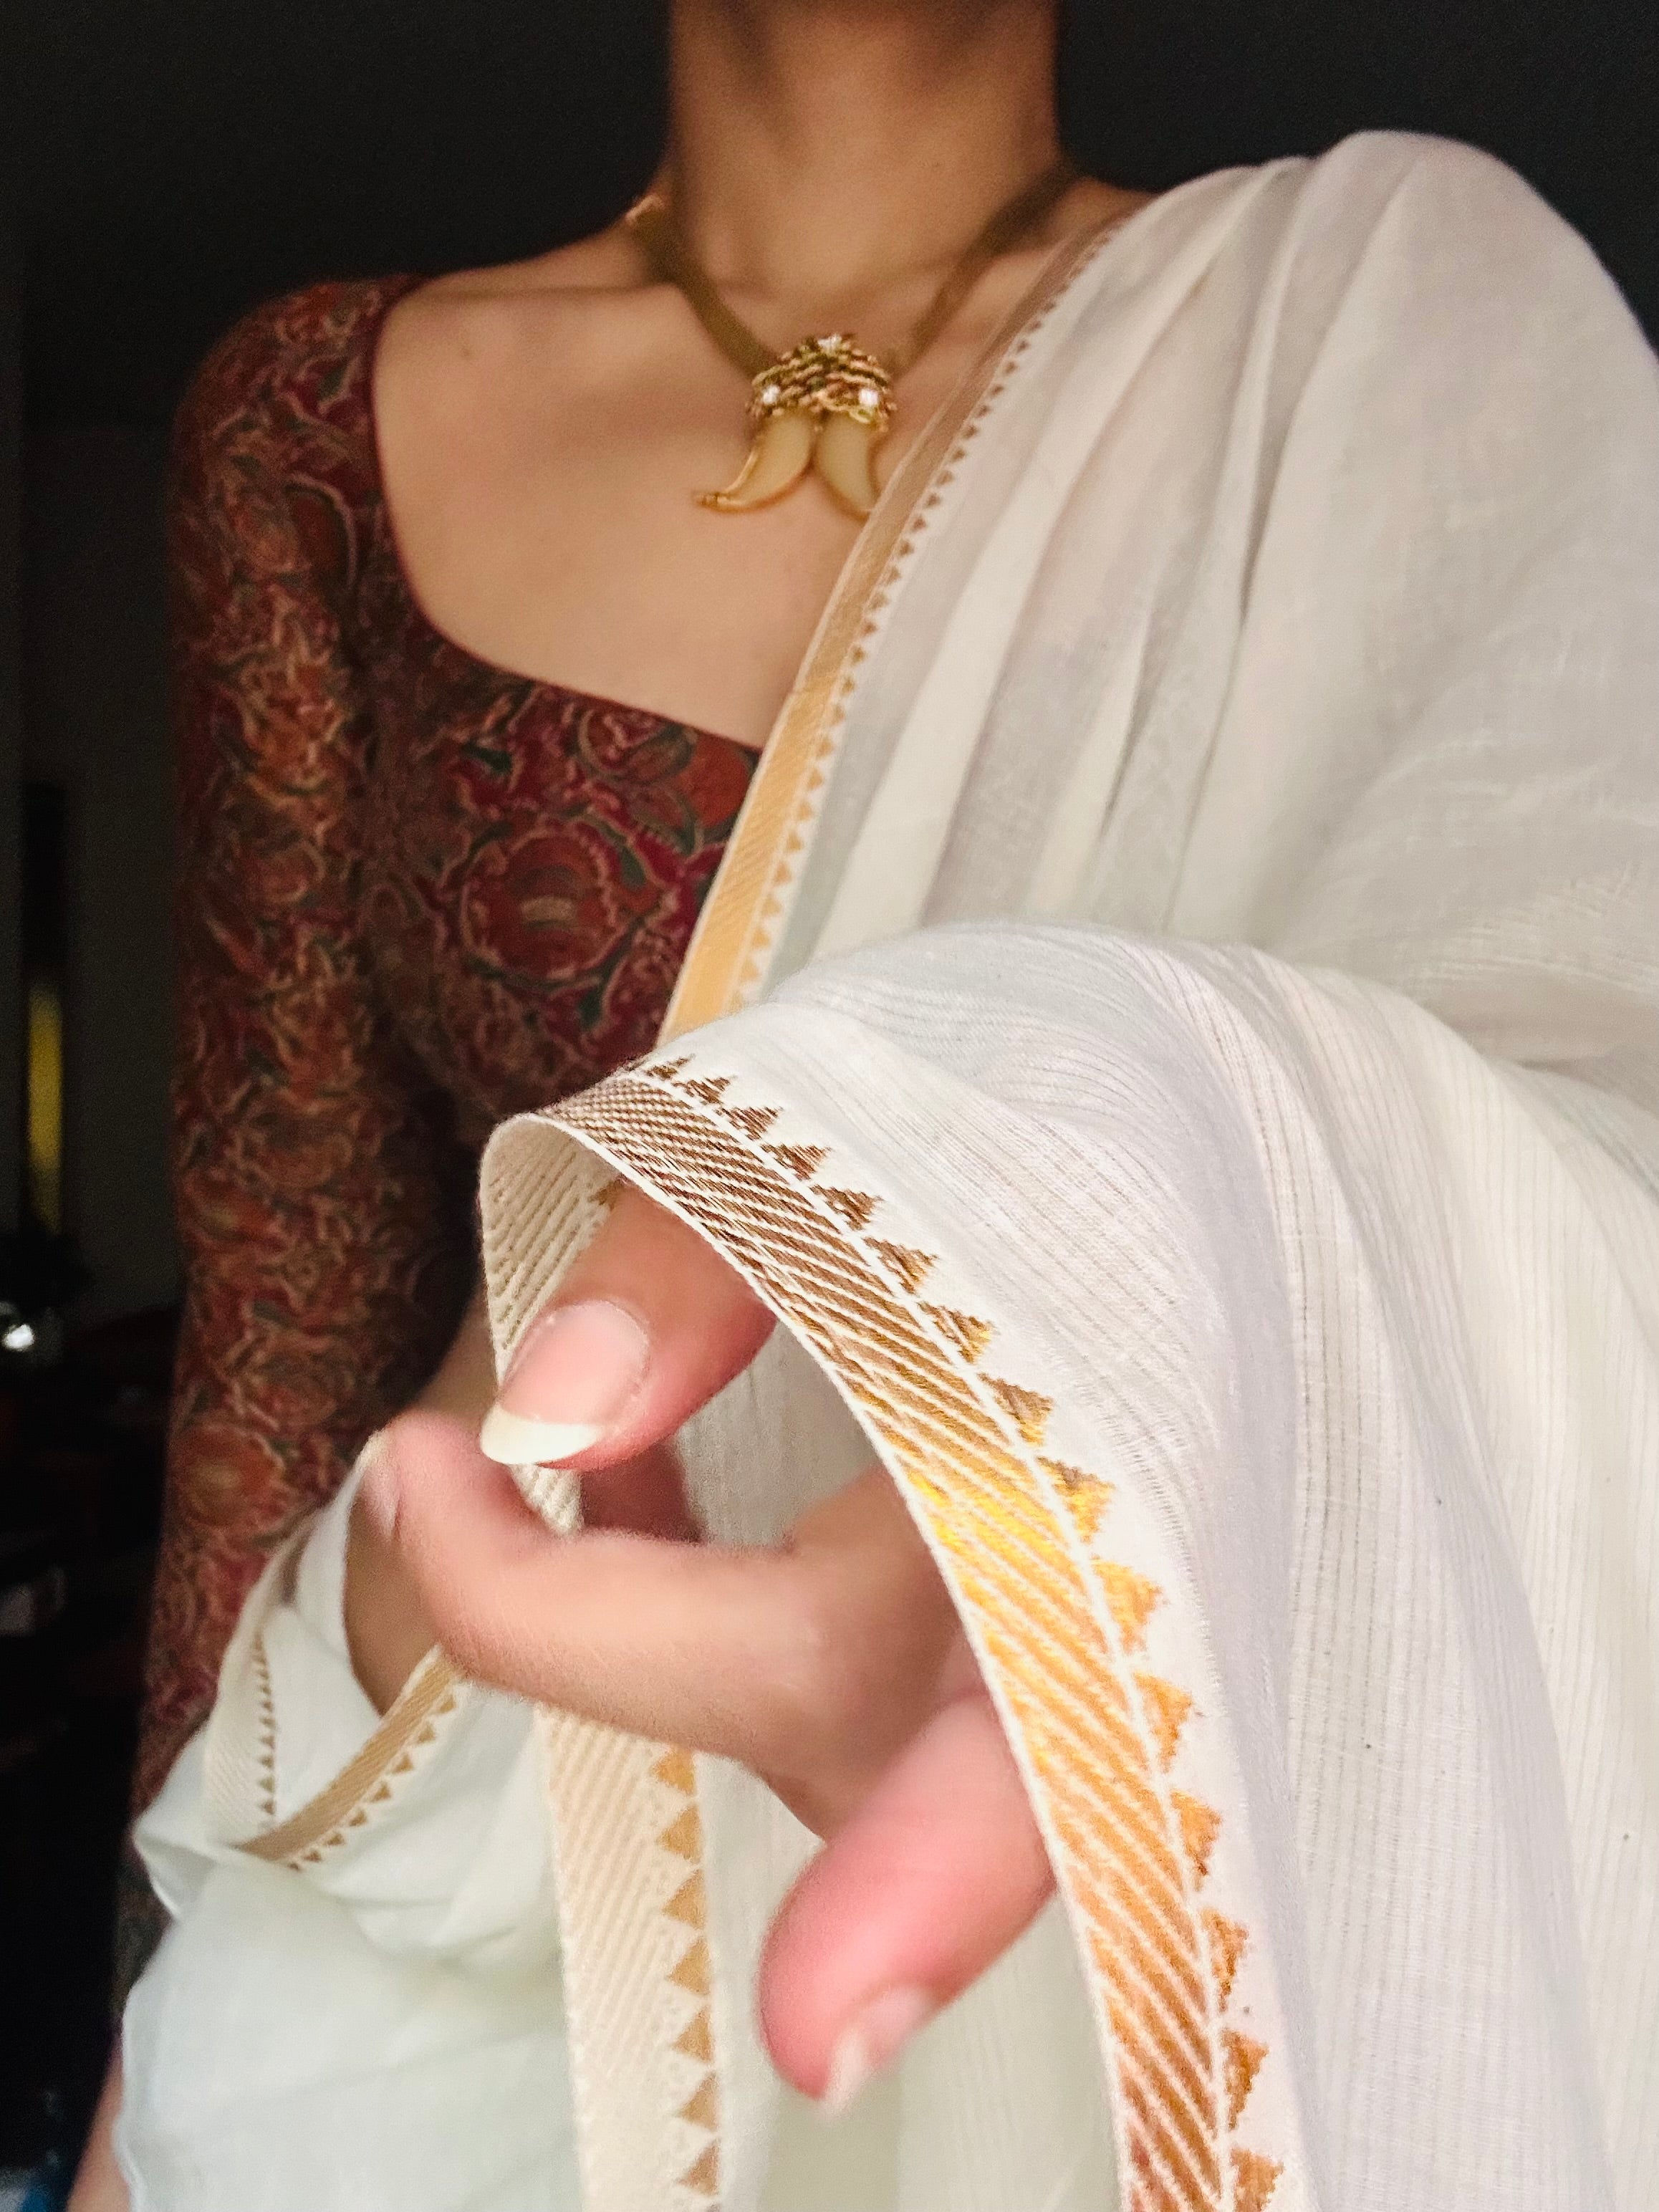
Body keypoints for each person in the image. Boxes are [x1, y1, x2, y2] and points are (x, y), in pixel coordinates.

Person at [74, 0, 1659, 2206]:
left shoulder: (1369, 355)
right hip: (419, 1859)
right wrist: (179, 1948)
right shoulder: (321, 417)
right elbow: (286, 1298)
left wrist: (1138, 1196)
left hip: (1125, 1794)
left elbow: (1586, 1125)